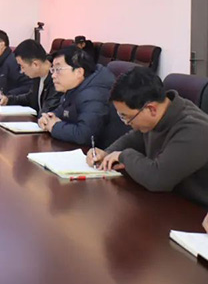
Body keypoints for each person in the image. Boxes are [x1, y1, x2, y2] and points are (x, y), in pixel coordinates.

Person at [87, 67, 208, 207]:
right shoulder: (161, 114)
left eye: (127, 117)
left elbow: (157, 179)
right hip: (166, 200)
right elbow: (134, 138)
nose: (126, 123)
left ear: (151, 109)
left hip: (195, 210)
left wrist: (123, 156)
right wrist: (107, 153)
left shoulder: (194, 129)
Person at [39, 46, 127, 147]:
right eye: (53, 70)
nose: (53, 75)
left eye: (58, 69)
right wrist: (47, 118)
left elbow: (84, 135)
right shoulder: (75, 86)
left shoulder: (94, 94)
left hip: (104, 152)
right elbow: (62, 111)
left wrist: (54, 127)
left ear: (79, 72)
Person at [0, 39, 61, 114]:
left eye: (22, 66)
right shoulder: (38, 75)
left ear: (35, 64)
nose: (21, 71)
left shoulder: (57, 80)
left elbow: (47, 113)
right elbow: (30, 98)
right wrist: (8, 100)